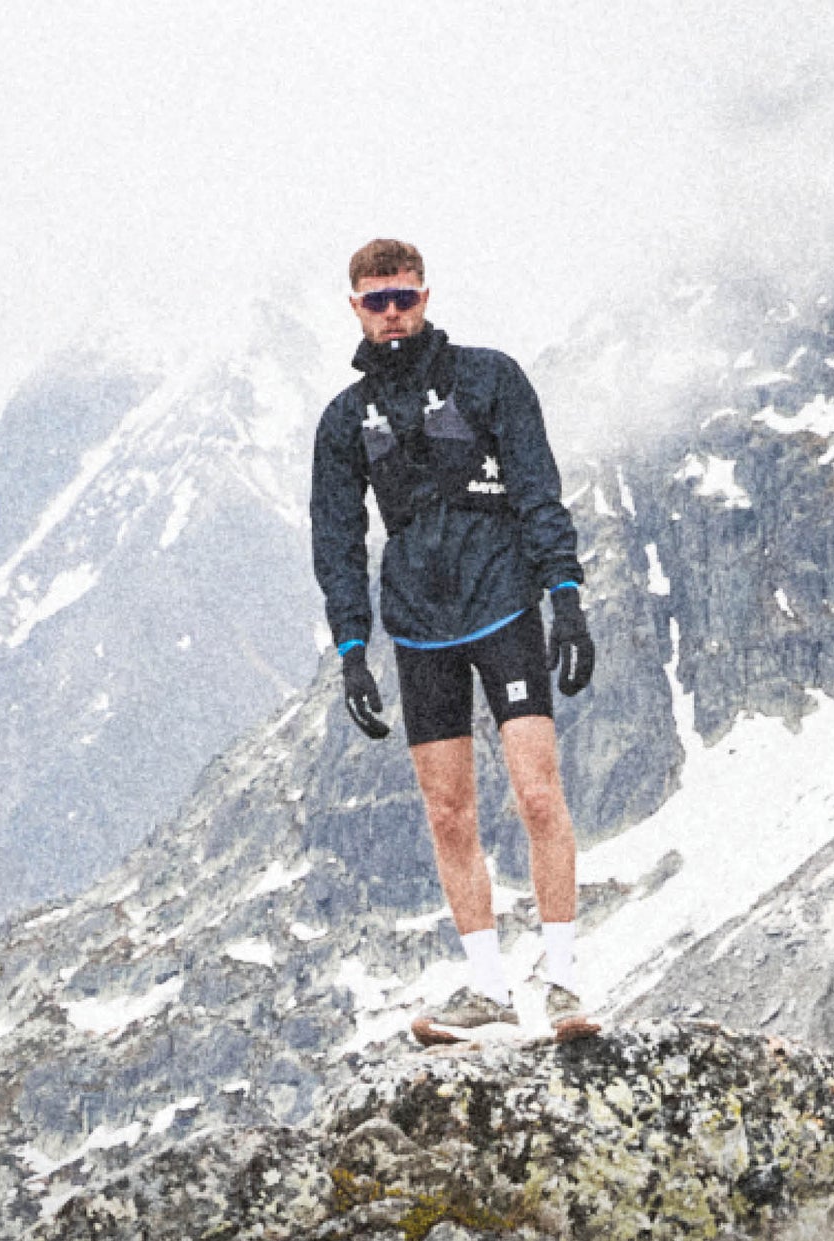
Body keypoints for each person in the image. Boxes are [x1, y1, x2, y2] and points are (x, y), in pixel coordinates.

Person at [310, 239, 598, 1044]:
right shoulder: (343, 421)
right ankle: (488, 990)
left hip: (504, 604)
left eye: (403, 297)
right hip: (418, 626)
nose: (392, 314)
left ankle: (564, 980)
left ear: (426, 297)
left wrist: (565, 598)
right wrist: (351, 649)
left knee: (537, 792)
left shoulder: (490, 377)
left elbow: (537, 487)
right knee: (447, 812)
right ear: (355, 308)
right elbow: (336, 539)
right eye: (377, 301)